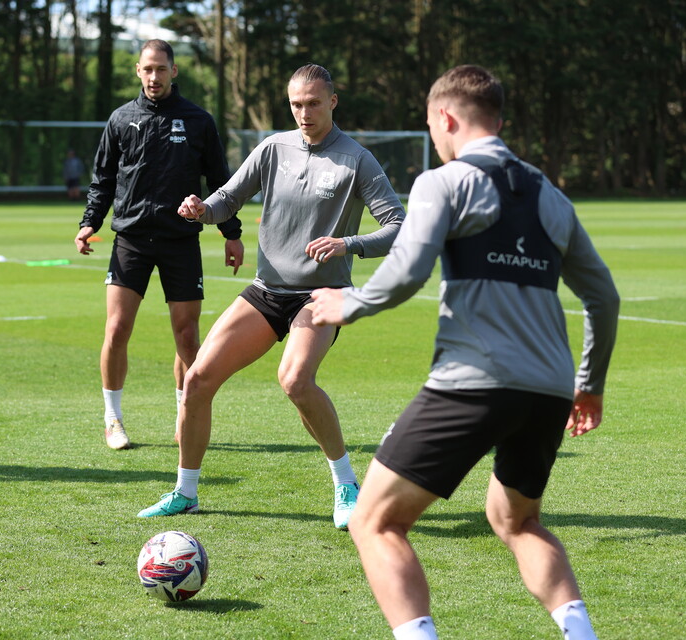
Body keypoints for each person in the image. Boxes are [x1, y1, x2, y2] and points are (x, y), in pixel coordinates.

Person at [310, 65, 619, 639]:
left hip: (474, 378)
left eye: (432, 126)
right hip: (549, 389)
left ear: (446, 119)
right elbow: (603, 298)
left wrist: (346, 302)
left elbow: (406, 272)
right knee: (518, 521)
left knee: (374, 521)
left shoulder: (443, 182)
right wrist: (589, 383)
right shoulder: (551, 195)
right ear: (498, 120)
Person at [137, 64, 405, 530]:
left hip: (321, 294)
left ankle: (346, 485)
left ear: (333, 102)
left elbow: (399, 227)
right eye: (297, 104)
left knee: (295, 380)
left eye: (313, 103)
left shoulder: (357, 159)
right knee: (197, 380)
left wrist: (349, 244)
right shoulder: (273, 148)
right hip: (266, 291)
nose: (304, 112)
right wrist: (201, 210)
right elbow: (227, 198)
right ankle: (185, 492)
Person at [75, 39, 244, 450]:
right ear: (138, 71)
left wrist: (231, 233)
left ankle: (185, 412)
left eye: (161, 69)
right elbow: (103, 180)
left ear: (174, 72)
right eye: (148, 70)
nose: (154, 77)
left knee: (187, 338)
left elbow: (221, 182)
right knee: (117, 329)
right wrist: (88, 224)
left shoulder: (198, 121)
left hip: (181, 240)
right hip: (131, 238)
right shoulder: (120, 119)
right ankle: (112, 419)